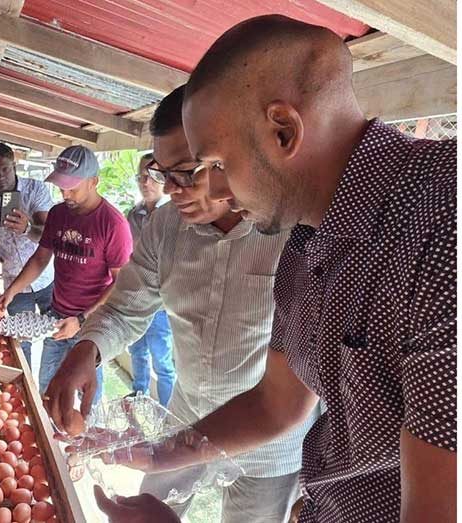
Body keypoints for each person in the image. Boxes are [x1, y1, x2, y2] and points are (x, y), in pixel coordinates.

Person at [94, 15, 457, 523]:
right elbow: (275, 403)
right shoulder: (306, 244)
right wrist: (158, 455)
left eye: (216, 164)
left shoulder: (443, 227)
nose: (216, 192)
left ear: (282, 130)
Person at [46, 86, 317, 522]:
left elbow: (283, 403)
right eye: (161, 172)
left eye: (186, 173)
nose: (171, 189)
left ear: (228, 158)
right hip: (187, 415)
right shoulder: (165, 227)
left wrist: (158, 458)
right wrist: (87, 349)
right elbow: (126, 307)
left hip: (273, 446)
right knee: (149, 508)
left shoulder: (295, 236)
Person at [0, 145, 133, 404]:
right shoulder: (58, 214)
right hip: (56, 316)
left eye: (73, 187)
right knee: (48, 386)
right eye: (61, 187)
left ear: (94, 182)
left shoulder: (112, 224)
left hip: (91, 324)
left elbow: (121, 282)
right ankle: (52, 438)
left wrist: (81, 318)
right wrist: (11, 291)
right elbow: (41, 258)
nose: (65, 194)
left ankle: (85, 437)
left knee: (86, 394)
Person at [0, 142, 54, 364]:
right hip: (14, 284)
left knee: (57, 337)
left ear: (14, 166)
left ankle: (47, 389)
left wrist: (28, 228)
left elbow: (49, 235)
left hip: (47, 278)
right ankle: (28, 387)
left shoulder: (35, 189)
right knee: (21, 345)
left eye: (6, 169)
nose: (1, 176)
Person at [125, 153, 175, 406]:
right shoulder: (132, 215)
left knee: (163, 361)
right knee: (137, 351)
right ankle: (139, 394)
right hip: (135, 299)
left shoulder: (176, 216)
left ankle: (167, 411)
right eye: (141, 177)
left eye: (153, 177)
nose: (146, 183)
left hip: (161, 304)